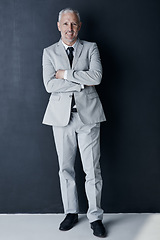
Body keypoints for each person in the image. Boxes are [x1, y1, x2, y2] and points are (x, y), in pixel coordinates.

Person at [42, 8, 106, 238]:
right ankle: (71, 213)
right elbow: (50, 85)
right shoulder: (48, 52)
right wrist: (81, 81)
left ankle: (95, 216)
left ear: (79, 26)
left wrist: (67, 75)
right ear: (59, 25)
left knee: (92, 170)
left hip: (88, 116)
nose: (70, 29)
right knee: (65, 169)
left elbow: (96, 77)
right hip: (61, 119)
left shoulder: (91, 48)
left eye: (74, 24)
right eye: (66, 24)